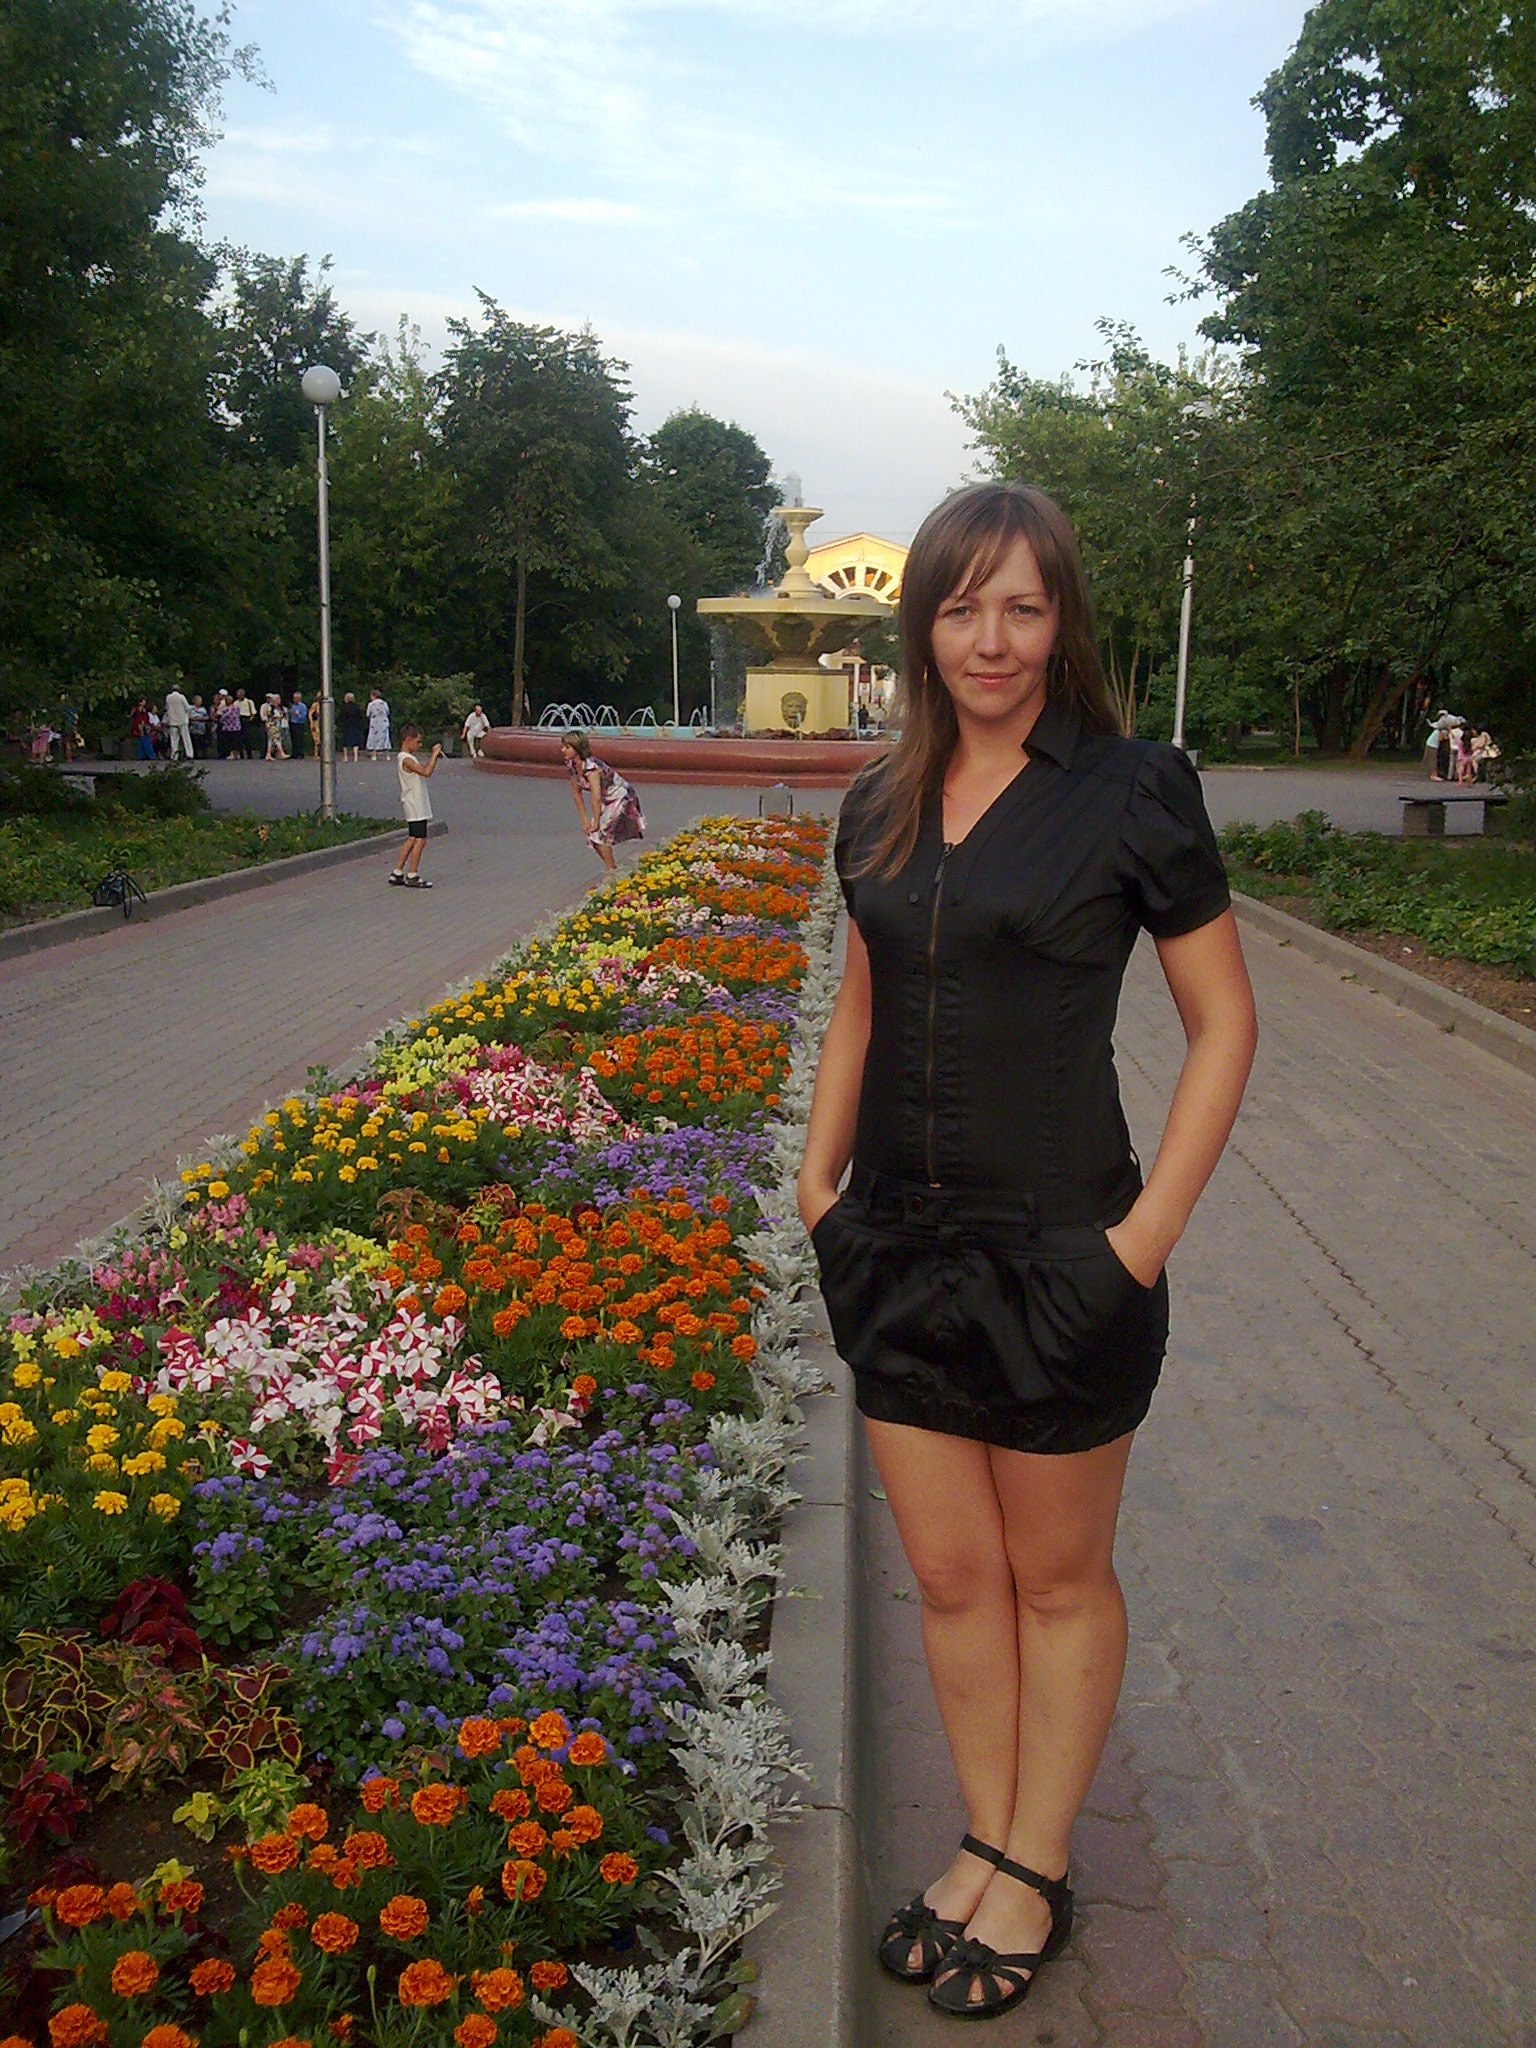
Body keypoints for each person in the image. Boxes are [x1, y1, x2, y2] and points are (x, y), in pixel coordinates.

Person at [798, 482, 1257, 2021]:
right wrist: (816, 1187)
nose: (989, 640)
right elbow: (861, 1003)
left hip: (1066, 1259)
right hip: (895, 1253)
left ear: (1062, 625)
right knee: (948, 1579)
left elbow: (1224, 1026)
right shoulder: (879, 799)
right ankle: (986, 1840)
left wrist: (1141, 1241)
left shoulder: (1134, 790)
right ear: (922, 626)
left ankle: (1036, 1866)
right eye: (960, 608)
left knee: (1055, 1583)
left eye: (1021, 607)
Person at [560, 730, 646, 875]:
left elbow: (596, 797)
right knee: (592, 836)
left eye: (567, 747)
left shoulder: (592, 768)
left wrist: (596, 821)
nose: (562, 750)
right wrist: (585, 820)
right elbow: (576, 793)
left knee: (600, 834)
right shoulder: (572, 765)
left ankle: (611, 871)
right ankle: (612, 869)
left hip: (620, 797)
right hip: (606, 800)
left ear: (577, 747)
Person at [389, 723, 440, 888]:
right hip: (415, 804)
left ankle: (397, 872)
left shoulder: (404, 758)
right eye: (418, 742)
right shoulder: (407, 759)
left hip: (413, 802)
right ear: (408, 740)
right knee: (420, 839)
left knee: (412, 838)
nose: (420, 745)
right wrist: (434, 755)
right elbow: (426, 772)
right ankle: (412, 874)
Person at [163, 684, 194, 762]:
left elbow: (166, 708)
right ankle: (189, 754)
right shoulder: (181, 697)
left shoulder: (168, 697)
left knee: (174, 739)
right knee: (186, 738)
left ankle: (174, 756)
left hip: (172, 720)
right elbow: (187, 708)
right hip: (182, 720)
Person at [339, 691, 366, 762]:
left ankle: (345, 757)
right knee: (355, 741)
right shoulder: (356, 707)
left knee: (346, 741)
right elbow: (361, 716)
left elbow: (341, 717)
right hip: (355, 725)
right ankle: (355, 757)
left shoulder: (344, 707)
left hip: (346, 725)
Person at [366, 688, 391, 760]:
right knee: (386, 738)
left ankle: (374, 755)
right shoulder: (384, 703)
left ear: (373, 696)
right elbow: (388, 712)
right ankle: (387, 755)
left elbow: (368, 714)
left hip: (374, 723)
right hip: (383, 722)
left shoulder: (371, 704)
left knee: (374, 738)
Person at [235, 688, 258, 761]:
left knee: (247, 737)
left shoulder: (249, 701)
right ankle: (241, 754)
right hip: (238, 719)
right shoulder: (235, 703)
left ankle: (249, 754)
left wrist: (251, 717)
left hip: (246, 718)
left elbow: (253, 711)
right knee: (239, 737)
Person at [288, 691, 309, 759]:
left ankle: (300, 753)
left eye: (295, 698)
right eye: (294, 698)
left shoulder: (303, 706)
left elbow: (303, 716)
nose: (294, 699)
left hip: (299, 724)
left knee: (299, 739)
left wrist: (297, 715)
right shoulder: (293, 706)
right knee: (293, 738)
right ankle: (294, 753)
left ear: (299, 698)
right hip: (293, 723)